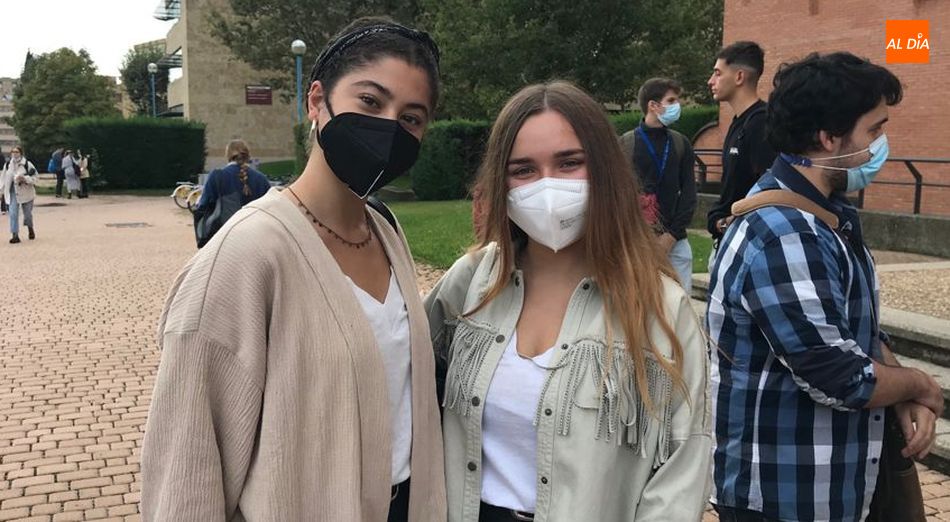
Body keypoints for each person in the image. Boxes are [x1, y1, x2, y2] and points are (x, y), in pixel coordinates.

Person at [141, 17, 447, 521]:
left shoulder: (386, 233)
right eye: (370, 102)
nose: (390, 127)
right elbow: (187, 468)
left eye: (412, 117)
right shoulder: (245, 256)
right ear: (316, 101)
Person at [426, 81, 710, 522]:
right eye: (523, 170)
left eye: (569, 163)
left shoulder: (661, 308)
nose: (548, 187)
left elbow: (682, 468)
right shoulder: (472, 281)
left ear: (604, 168)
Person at [708, 52, 942, 522]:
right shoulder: (784, 231)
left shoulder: (824, 215)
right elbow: (837, 373)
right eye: (874, 130)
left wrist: (899, 397)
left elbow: (856, 332)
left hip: (829, 482)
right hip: (785, 493)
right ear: (829, 138)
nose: (881, 145)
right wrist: (920, 384)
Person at [620, 77, 697, 293]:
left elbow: (689, 193)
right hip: (638, 241)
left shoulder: (681, 143)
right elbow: (618, 196)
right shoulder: (626, 144)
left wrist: (671, 236)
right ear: (653, 105)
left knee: (680, 310)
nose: (677, 106)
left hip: (676, 242)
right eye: (671, 101)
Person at [705, 41, 776, 269]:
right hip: (727, 242)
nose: (711, 81)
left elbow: (769, 191)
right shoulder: (739, 124)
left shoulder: (762, 124)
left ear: (739, 77)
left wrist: (727, 223)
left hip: (746, 249)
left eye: (717, 73)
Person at [192, 139, 271, 247]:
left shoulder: (217, 176)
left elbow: (203, 205)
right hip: (255, 238)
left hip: (224, 236)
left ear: (228, 155)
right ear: (247, 155)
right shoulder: (261, 179)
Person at [1, 146, 38, 243]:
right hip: (13, 192)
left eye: (16, 152)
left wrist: (25, 179)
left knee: (27, 214)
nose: (14, 153)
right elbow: (3, 178)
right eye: (13, 152)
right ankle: (15, 235)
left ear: (21, 153)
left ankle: (30, 228)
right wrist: (1, 190)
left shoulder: (27, 164)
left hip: (26, 192)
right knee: (13, 213)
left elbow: (35, 178)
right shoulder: (8, 164)